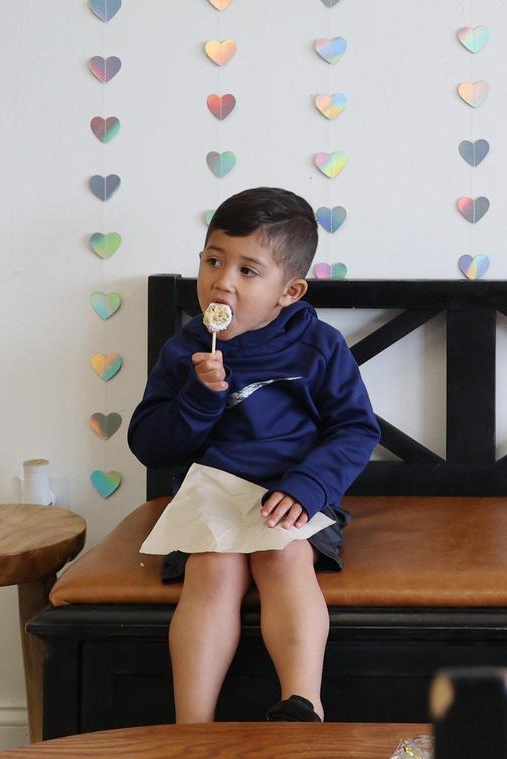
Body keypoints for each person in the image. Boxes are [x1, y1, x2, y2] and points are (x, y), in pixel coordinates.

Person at [127, 187, 381, 723]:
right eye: (214, 261)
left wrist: (310, 485)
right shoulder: (185, 349)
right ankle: (191, 728)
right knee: (213, 570)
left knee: (283, 558)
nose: (222, 281)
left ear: (288, 290)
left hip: (293, 491)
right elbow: (149, 444)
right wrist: (200, 397)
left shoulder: (319, 346)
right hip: (211, 491)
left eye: (248, 270)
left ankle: (303, 704)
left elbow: (355, 428)